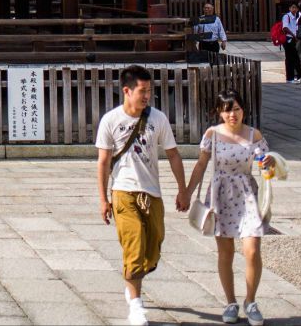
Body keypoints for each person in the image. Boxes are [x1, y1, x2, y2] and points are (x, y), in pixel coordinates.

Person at [95, 64, 190, 326]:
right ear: (127, 91)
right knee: (134, 243)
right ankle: (136, 304)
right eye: (142, 90)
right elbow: (103, 162)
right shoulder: (111, 120)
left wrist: (183, 190)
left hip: (152, 191)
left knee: (154, 245)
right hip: (123, 190)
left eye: (149, 90)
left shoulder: (157, 119)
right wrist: (104, 199)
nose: (147, 95)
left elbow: (172, 154)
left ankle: (132, 280)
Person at [187, 92, 275, 325]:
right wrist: (186, 192)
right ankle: (231, 302)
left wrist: (269, 163)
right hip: (221, 194)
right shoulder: (212, 134)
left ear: (243, 110)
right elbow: (201, 165)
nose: (231, 114)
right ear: (219, 112)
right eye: (226, 110)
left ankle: (251, 300)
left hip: (247, 194)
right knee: (225, 252)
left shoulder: (253, 134)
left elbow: (264, 163)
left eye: (235, 109)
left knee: (252, 249)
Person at [279, 3, 301, 82]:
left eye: (295, 8)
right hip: (288, 39)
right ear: (289, 8)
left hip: (293, 39)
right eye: (292, 7)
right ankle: (290, 77)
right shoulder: (287, 16)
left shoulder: (296, 17)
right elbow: (285, 28)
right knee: (290, 58)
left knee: (293, 58)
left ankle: (296, 76)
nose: (294, 9)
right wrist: (294, 35)